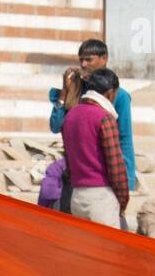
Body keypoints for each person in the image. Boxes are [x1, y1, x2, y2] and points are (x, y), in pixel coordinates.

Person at [49, 39, 136, 193]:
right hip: (75, 172)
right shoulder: (74, 90)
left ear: (104, 59)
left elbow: (125, 138)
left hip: (102, 176)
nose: (83, 64)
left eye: (89, 59)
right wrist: (64, 93)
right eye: (81, 60)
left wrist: (128, 180)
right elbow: (56, 126)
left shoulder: (118, 96)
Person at [61, 67, 128, 228]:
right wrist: (123, 200)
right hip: (101, 196)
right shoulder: (104, 118)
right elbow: (116, 166)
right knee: (107, 251)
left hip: (77, 195)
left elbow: (68, 161)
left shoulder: (70, 116)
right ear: (111, 92)